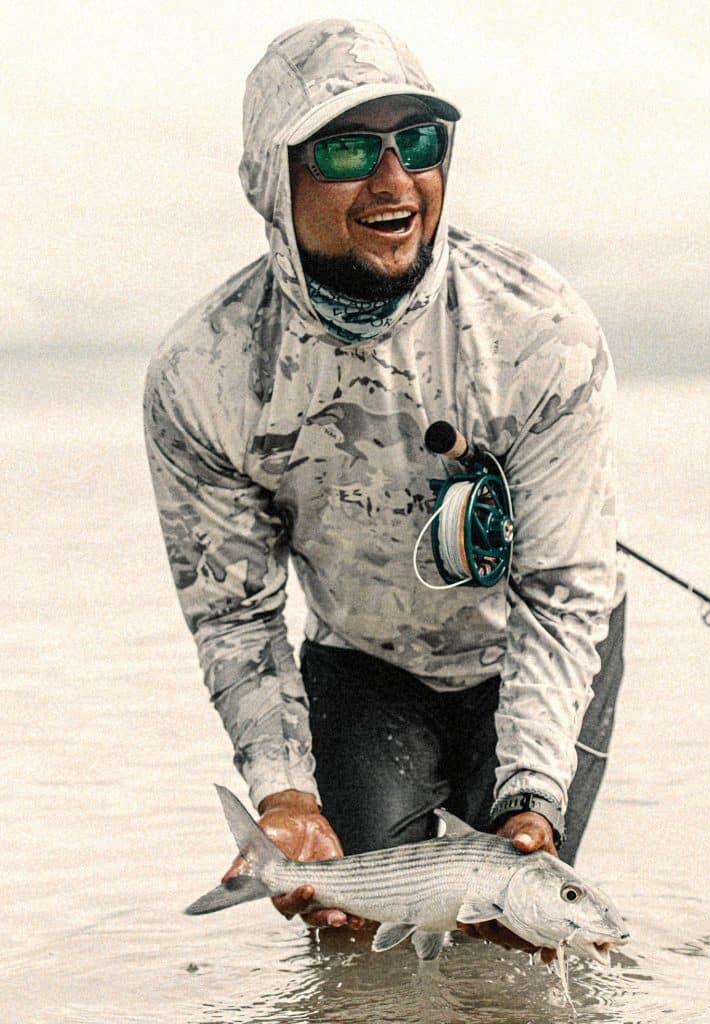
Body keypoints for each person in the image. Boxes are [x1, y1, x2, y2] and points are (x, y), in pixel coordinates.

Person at [144, 18, 626, 958]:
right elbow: (236, 616)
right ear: (270, 177)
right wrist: (283, 792)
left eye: (419, 142)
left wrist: (530, 803)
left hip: (534, 647)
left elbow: (563, 595)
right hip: (364, 665)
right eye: (349, 147)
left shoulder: (541, 332)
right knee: (351, 951)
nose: (395, 179)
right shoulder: (203, 373)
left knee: (517, 942)